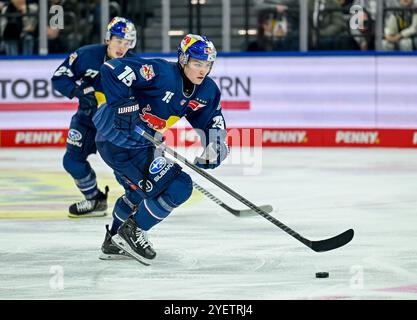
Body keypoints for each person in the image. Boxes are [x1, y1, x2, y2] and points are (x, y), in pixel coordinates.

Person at [93, 34, 229, 264]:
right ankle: (132, 231)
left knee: (138, 193)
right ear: (183, 60)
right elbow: (111, 68)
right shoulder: (159, 72)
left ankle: (114, 240)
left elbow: (211, 119)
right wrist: (123, 106)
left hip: (142, 144)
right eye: (197, 63)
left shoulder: (206, 90)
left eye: (207, 65)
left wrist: (215, 144)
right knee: (179, 186)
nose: (203, 70)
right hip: (116, 140)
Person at [51, 17, 137, 218]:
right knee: (72, 161)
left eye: (127, 43)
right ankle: (94, 200)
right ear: (108, 39)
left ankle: (135, 201)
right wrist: (78, 91)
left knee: (122, 166)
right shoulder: (85, 55)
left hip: (115, 125)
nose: (122, 47)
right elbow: (59, 77)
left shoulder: (134, 64)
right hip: (86, 119)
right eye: (118, 41)